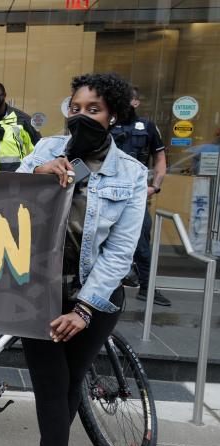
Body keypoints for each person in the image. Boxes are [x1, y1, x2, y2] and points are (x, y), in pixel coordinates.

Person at [16, 73, 147, 446]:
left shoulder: (132, 174)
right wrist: (36, 177)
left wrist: (84, 309)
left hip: (96, 296)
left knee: (71, 382)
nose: (81, 116)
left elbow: (120, 253)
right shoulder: (45, 149)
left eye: (94, 109)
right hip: (38, 288)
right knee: (51, 381)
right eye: (75, 109)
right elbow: (4, 201)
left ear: (113, 116)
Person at [110, 87, 170, 306]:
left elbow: (160, 158)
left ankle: (148, 288)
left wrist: (154, 186)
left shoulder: (147, 127)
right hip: (107, 194)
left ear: (135, 102)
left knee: (142, 243)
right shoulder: (105, 123)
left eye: (127, 99)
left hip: (135, 196)